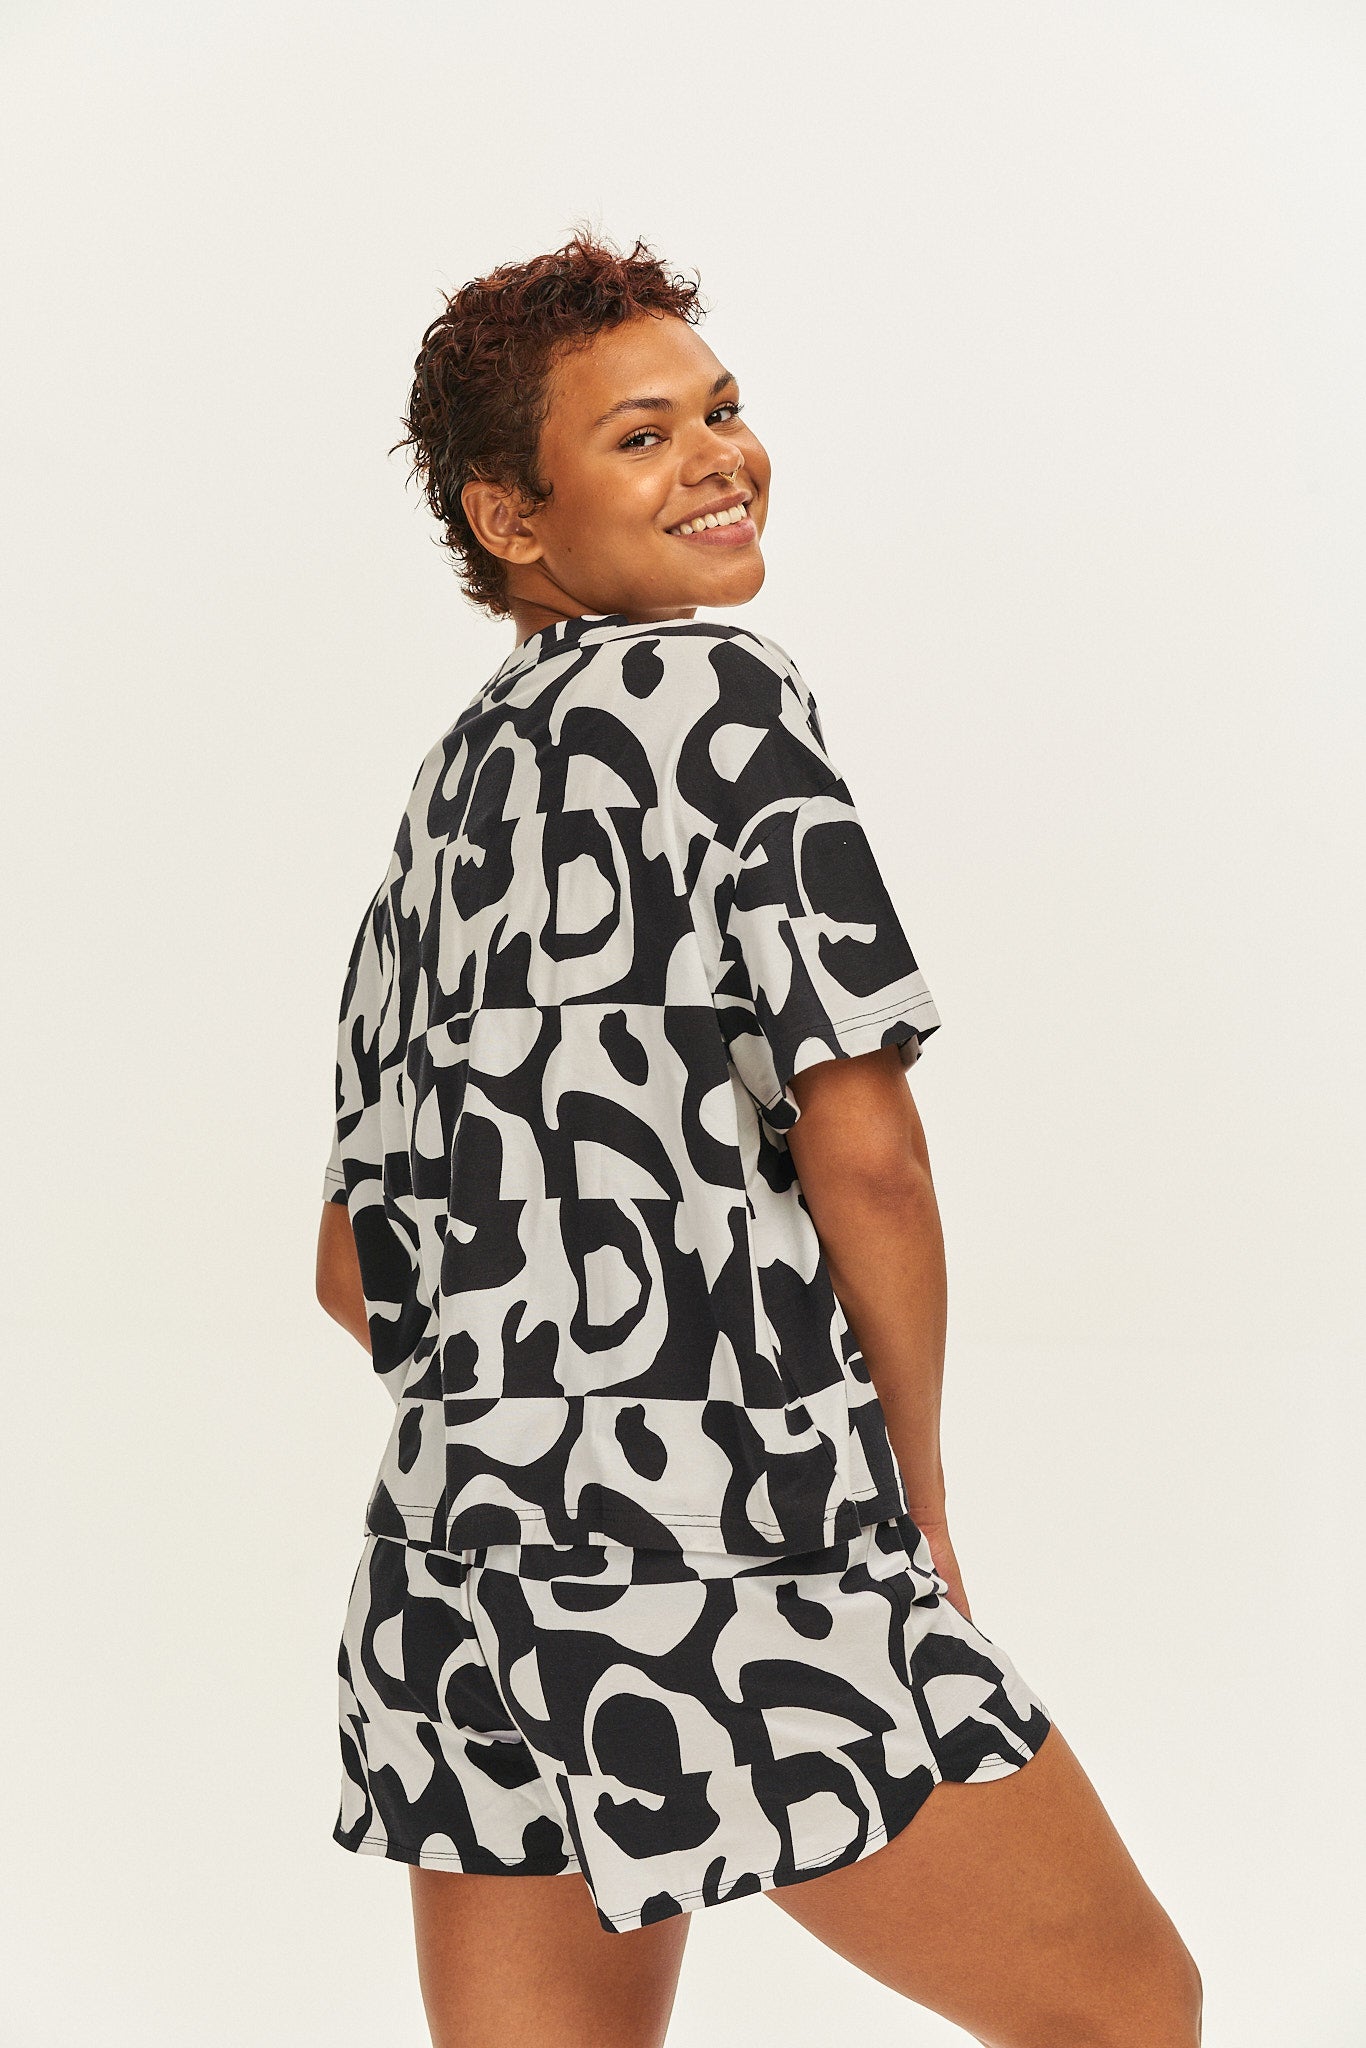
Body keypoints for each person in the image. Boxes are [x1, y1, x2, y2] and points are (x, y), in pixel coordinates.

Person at [315, 233, 1202, 2048]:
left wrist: (532, 1438)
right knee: (1126, 2012)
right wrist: (909, 1491)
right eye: (641, 436)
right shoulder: (719, 703)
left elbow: (351, 1266)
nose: (718, 456)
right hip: (740, 1534)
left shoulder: (451, 792)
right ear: (510, 517)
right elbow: (866, 1153)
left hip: (459, 1572)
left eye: (720, 410)